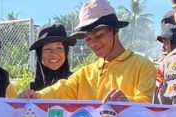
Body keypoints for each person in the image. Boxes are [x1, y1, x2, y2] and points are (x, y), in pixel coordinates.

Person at [23, 0, 156, 103]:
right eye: (87, 39)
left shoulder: (143, 67)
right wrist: (36, 96)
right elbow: (61, 89)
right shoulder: (84, 74)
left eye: (98, 36)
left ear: (115, 30)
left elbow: (145, 106)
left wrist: (127, 102)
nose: (93, 44)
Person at [29, 23, 76, 92]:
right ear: (39, 54)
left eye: (59, 48)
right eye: (47, 49)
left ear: (66, 51)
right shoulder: (30, 91)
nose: (54, 54)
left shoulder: (77, 83)